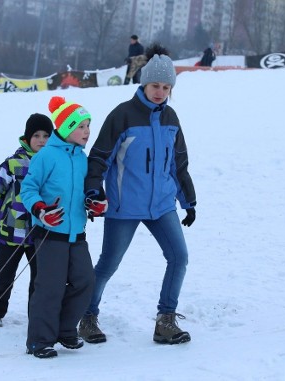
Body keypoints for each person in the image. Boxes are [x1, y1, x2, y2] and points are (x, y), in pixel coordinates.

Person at [79, 44, 197, 346]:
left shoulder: (171, 118)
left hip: (161, 205)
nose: (161, 92)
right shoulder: (123, 115)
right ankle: (87, 316)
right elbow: (99, 158)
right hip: (124, 205)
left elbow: (178, 163)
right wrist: (95, 191)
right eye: (156, 85)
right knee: (109, 263)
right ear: (144, 83)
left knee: (179, 257)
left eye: (166, 87)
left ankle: (165, 320)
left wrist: (188, 201)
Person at [21, 96, 102, 359]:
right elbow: (28, 188)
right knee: (50, 287)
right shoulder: (46, 156)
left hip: (77, 233)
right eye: (81, 126)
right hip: (49, 234)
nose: (87, 131)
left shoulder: (82, 158)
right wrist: (40, 210)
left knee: (85, 281)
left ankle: (66, 330)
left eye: (88, 125)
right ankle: (39, 341)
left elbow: (84, 192)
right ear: (67, 128)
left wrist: (93, 203)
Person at [0, 113, 54, 328]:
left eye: (46, 135)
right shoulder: (13, 164)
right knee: (3, 273)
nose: (41, 140)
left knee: (39, 277)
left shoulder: (52, 163)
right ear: (27, 138)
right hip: (12, 230)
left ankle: (37, 315)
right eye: (36, 135)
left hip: (40, 232)